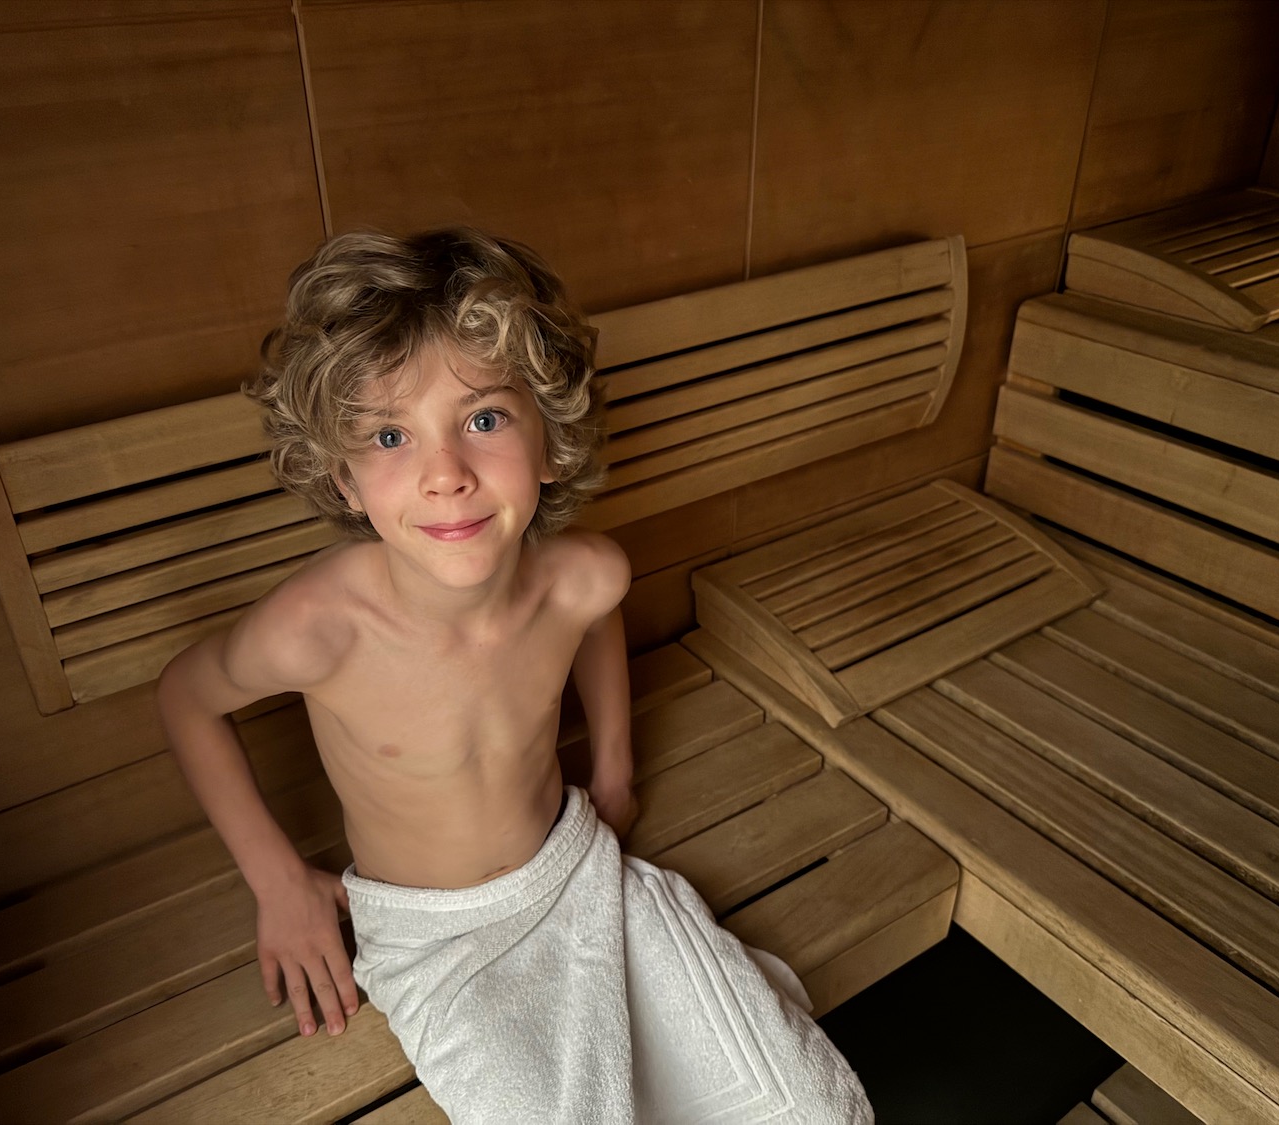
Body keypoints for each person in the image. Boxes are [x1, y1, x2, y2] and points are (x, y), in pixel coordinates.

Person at [157, 228, 870, 1124]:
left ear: (549, 438)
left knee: (802, 1105)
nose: (445, 474)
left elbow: (599, 619)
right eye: (389, 435)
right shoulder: (319, 629)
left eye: (484, 419)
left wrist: (611, 768)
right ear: (343, 478)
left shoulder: (582, 576)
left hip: (572, 872)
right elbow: (186, 697)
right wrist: (279, 882)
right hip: (432, 934)